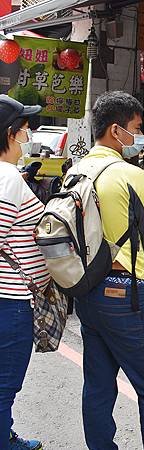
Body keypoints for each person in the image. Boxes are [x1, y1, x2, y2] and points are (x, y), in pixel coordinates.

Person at [74, 91, 144, 450]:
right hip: (124, 293)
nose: (138, 136)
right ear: (117, 130)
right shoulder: (131, 175)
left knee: (98, 384)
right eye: (137, 128)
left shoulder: (77, 170)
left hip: (86, 291)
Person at [0, 95, 49, 450]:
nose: (29, 132)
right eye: (25, 126)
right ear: (11, 133)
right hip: (11, 299)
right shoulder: (7, 178)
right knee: (5, 384)